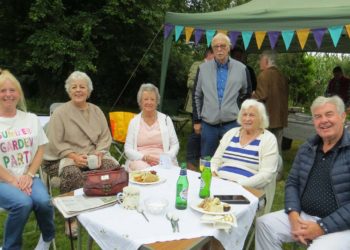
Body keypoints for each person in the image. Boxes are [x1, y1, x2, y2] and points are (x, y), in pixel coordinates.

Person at [255, 96, 350, 250]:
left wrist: (321, 227)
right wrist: (293, 215)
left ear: (342, 116)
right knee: (265, 225)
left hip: (342, 226)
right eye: (318, 116)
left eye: (329, 114)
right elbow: (292, 183)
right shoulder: (307, 148)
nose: (323, 120)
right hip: (304, 216)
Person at [43, 71, 119, 236]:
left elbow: (105, 137)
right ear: (69, 91)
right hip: (62, 157)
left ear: (89, 91)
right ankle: (71, 218)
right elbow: (55, 142)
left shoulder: (97, 111)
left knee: (112, 168)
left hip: (92, 156)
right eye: (74, 87)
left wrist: (99, 154)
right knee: (72, 173)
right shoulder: (60, 113)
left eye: (82, 87)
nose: (78, 90)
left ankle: (103, 206)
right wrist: (73, 156)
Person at [0, 69, 55, 250]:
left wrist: (29, 174)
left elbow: (40, 148)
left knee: (43, 202)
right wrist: (13, 180)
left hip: (28, 177)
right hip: (3, 181)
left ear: (19, 93)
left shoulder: (31, 119)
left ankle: (47, 238)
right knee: (23, 204)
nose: (8, 94)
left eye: (12, 90)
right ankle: (11, 247)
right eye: (2, 90)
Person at [211, 99, 278, 213]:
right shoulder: (231, 133)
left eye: (252, 115)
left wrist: (238, 185)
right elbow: (215, 160)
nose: (247, 119)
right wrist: (213, 173)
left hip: (246, 190)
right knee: (198, 199)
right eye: (244, 114)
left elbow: (266, 175)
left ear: (261, 118)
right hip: (219, 184)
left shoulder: (268, 139)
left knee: (221, 210)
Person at [193, 33, 250, 158]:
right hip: (208, 124)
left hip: (232, 123)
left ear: (229, 48)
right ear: (212, 49)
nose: (219, 49)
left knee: (231, 159)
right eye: (216, 46)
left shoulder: (241, 69)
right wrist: (197, 120)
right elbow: (197, 95)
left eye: (223, 46)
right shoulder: (202, 69)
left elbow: (246, 94)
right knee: (206, 160)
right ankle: (206, 178)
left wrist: (238, 112)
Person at [124, 83, 179, 171]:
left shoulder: (166, 119)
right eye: (146, 99)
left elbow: (175, 144)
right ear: (140, 102)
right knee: (145, 172)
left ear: (157, 102)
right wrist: (144, 157)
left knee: (168, 173)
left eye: (152, 99)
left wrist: (167, 156)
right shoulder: (134, 122)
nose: (149, 102)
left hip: (163, 159)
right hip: (141, 160)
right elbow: (128, 149)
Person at [252, 50, 288, 180]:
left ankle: (264, 173)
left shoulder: (263, 75)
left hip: (267, 118)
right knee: (277, 147)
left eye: (260, 60)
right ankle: (278, 174)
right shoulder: (282, 75)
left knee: (264, 147)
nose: (259, 62)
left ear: (266, 61)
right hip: (280, 117)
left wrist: (252, 95)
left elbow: (262, 95)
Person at [186, 47, 214, 171]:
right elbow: (190, 83)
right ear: (209, 55)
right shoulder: (198, 65)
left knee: (207, 137)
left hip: (210, 109)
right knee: (196, 135)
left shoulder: (217, 68)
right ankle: (192, 163)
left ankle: (204, 164)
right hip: (197, 107)